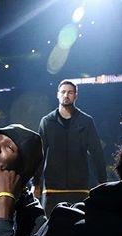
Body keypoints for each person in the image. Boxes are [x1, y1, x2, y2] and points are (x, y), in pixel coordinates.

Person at [34, 80, 107, 214]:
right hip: (52, 188)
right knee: (50, 225)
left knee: (80, 225)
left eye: (70, 92)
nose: (66, 95)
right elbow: (40, 154)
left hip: (79, 187)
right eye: (63, 92)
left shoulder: (86, 121)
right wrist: (35, 183)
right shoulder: (47, 122)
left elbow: (97, 152)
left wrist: (102, 181)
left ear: (75, 96)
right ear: (57, 95)